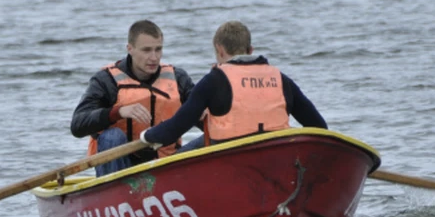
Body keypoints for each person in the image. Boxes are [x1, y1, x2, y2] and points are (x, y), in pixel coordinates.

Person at [140, 21, 326, 151]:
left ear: (219, 51)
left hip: (228, 157)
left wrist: (148, 137)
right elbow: (318, 126)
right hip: (275, 153)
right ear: (250, 50)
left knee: (179, 156)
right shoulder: (281, 79)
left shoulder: (214, 80)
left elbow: (176, 128)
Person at [71, 20, 195, 176]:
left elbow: (205, 117)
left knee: (214, 133)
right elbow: (78, 125)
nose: (154, 57)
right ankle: (115, 192)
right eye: (146, 50)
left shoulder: (178, 78)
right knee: (111, 136)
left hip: (167, 163)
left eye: (158, 49)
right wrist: (118, 112)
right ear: (130, 49)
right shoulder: (106, 80)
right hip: (123, 168)